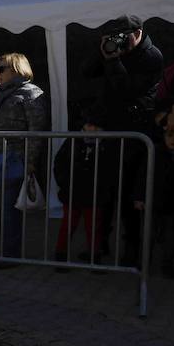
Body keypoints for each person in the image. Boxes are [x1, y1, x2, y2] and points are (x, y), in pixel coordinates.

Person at [82, 14, 163, 266]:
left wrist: (114, 61)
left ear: (137, 33)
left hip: (136, 133)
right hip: (112, 130)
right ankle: (99, 245)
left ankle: (133, 251)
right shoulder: (114, 50)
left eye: (122, 36)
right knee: (105, 191)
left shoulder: (152, 57)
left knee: (131, 196)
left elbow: (128, 91)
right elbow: (86, 72)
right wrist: (102, 50)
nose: (118, 41)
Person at [0, 52, 50, 258]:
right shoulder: (0, 92)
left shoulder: (31, 93)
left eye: (2, 68)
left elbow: (36, 131)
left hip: (15, 158)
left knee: (9, 210)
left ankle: (9, 254)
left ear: (16, 69)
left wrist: (31, 162)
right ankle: (3, 250)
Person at [53, 105, 119, 267]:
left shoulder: (106, 145)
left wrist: (105, 189)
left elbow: (111, 169)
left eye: (94, 125)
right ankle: (60, 255)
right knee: (68, 225)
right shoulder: (74, 141)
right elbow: (60, 163)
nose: (90, 128)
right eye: (88, 125)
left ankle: (94, 257)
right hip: (73, 191)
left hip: (96, 193)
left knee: (94, 227)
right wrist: (64, 183)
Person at [134, 101, 174, 278]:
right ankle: (143, 262)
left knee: (170, 238)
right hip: (152, 201)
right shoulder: (154, 151)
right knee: (148, 235)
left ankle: (167, 264)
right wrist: (139, 197)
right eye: (170, 136)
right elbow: (142, 176)